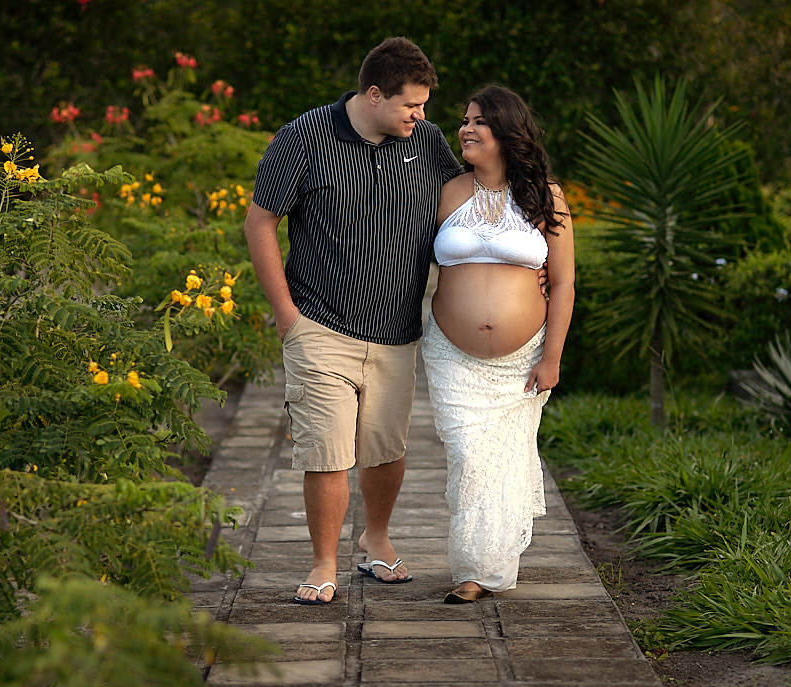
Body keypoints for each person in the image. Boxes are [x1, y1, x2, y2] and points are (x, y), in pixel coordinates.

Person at [243, 37, 463, 605]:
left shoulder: (427, 142)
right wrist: (286, 314)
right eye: (411, 105)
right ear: (373, 94)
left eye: (424, 106)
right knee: (327, 449)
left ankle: (377, 539)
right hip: (319, 324)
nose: (422, 116)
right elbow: (261, 218)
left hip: (396, 329)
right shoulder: (303, 139)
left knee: (385, 450)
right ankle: (323, 564)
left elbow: (465, 200)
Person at [423, 85, 575, 603]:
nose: (466, 128)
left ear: (507, 132)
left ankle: (480, 570)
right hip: (451, 354)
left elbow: (564, 282)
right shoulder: (446, 192)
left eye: (479, 121)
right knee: (469, 457)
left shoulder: (545, 197)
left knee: (503, 458)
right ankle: (476, 566)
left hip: (523, 358)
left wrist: (552, 355)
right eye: (464, 120)